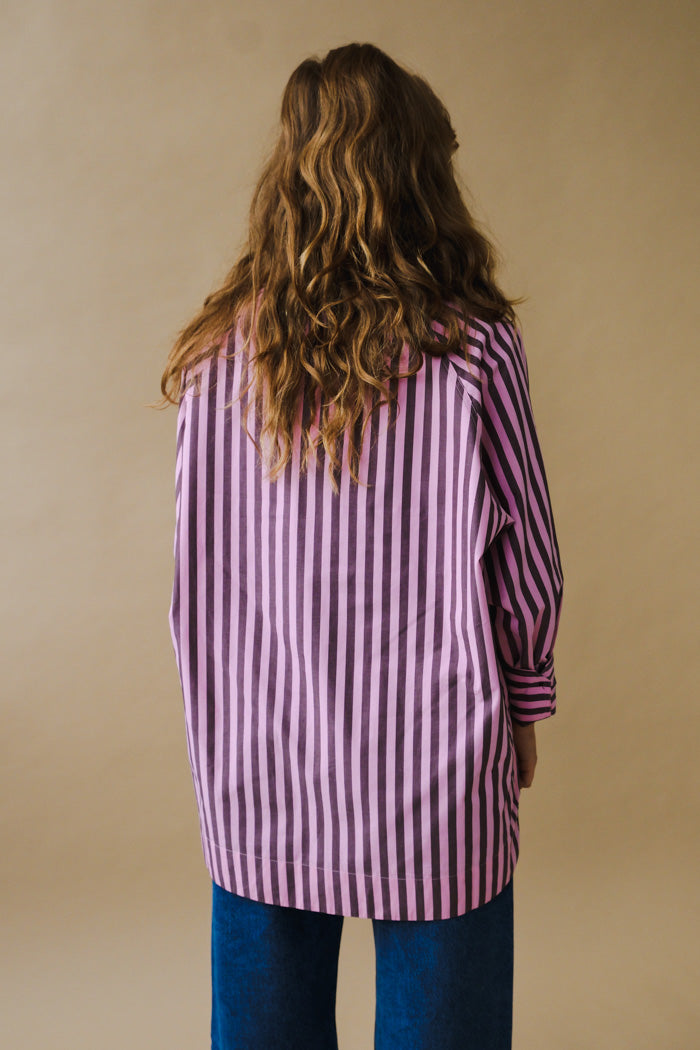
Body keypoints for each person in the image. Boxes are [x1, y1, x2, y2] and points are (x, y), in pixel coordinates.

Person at [156, 41, 564, 1050]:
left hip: (260, 753)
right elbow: (526, 556)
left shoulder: (216, 356)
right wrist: (524, 699)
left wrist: (218, 720)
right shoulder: (473, 347)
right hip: (434, 761)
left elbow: (193, 573)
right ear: (423, 176)